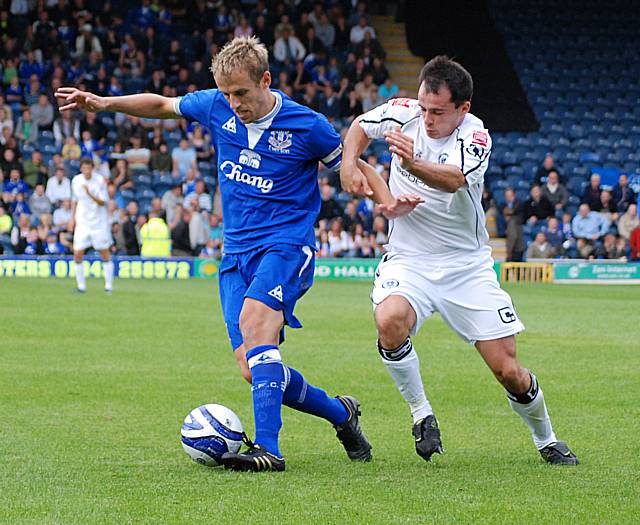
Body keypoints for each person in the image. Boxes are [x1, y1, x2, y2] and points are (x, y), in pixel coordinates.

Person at [56, 36, 371, 472]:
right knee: (254, 367)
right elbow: (163, 105)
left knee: (256, 326)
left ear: (265, 79)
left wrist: (386, 197)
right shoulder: (215, 107)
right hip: (235, 255)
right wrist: (104, 104)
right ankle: (342, 414)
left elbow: (351, 165)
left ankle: (269, 451)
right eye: (226, 94)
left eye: (241, 92)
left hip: (284, 245)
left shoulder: (308, 125)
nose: (233, 102)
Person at [340, 55, 577, 465]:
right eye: (423, 107)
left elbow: (453, 180)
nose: (426, 118)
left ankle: (546, 438)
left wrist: (412, 161)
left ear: (463, 109)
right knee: (389, 321)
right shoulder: (404, 113)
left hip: (466, 266)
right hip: (408, 259)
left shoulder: (476, 136)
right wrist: (348, 165)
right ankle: (421, 414)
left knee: (508, 371)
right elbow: (360, 126)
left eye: (437, 112)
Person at [70, 157, 114, 293]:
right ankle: (81, 286)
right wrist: (72, 218)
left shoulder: (99, 180)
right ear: (81, 169)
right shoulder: (76, 181)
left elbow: (103, 202)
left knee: (104, 252)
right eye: (84, 168)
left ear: (92, 169)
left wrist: (89, 194)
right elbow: (74, 200)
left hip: (98, 222)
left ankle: (108, 286)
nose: (87, 171)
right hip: (83, 221)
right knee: (77, 253)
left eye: (89, 168)